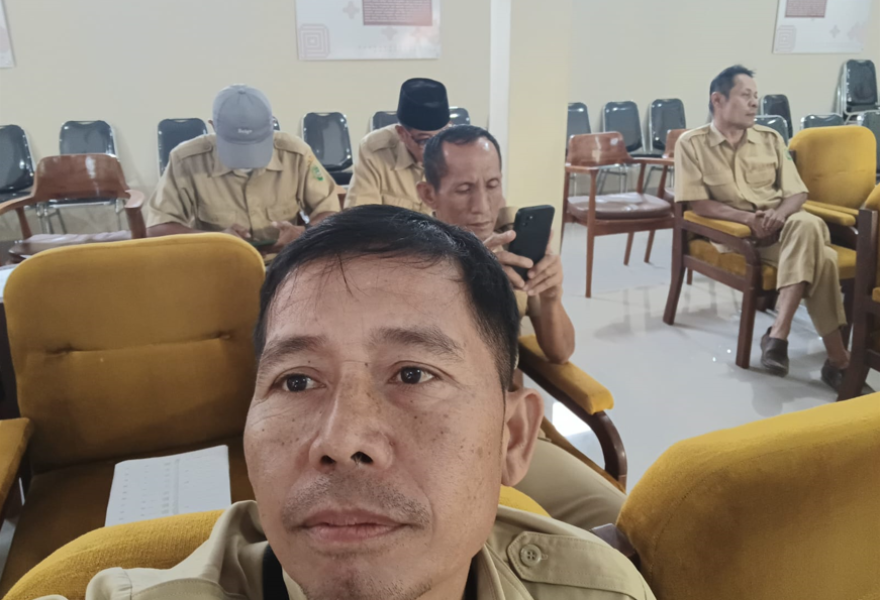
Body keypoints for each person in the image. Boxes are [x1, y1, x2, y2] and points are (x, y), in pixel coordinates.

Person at [47, 206, 655, 600]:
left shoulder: (603, 591)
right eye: (296, 382)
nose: (341, 441)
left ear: (514, 438)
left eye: (412, 374)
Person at [418, 125, 625, 531]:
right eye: (464, 190)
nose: (482, 206)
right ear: (429, 195)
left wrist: (551, 296)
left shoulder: (511, 244)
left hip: (508, 429)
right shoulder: (410, 260)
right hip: (436, 438)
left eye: (492, 185)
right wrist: (470, 284)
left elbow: (559, 352)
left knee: (623, 522)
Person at [675, 65, 849, 390]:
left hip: (785, 230)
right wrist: (747, 220)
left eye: (756, 96)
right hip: (738, 236)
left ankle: (778, 334)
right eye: (746, 95)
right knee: (822, 257)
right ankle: (838, 360)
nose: (755, 102)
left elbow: (797, 193)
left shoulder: (771, 139)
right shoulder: (692, 144)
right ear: (718, 100)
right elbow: (699, 204)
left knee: (805, 223)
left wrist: (779, 214)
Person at [145, 85, 339, 254]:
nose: (247, 158)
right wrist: (216, 240)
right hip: (217, 260)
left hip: (284, 262)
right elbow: (157, 228)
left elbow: (331, 213)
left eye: (256, 144)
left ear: (271, 124)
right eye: (236, 145)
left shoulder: (296, 154)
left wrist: (305, 232)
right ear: (213, 126)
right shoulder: (186, 160)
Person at [345, 78, 450, 214]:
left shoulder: (463, 151)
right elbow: (360, 216)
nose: (437, 149)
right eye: (425, 141)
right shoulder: (375, 150)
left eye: (442, 137)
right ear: (402, 134)